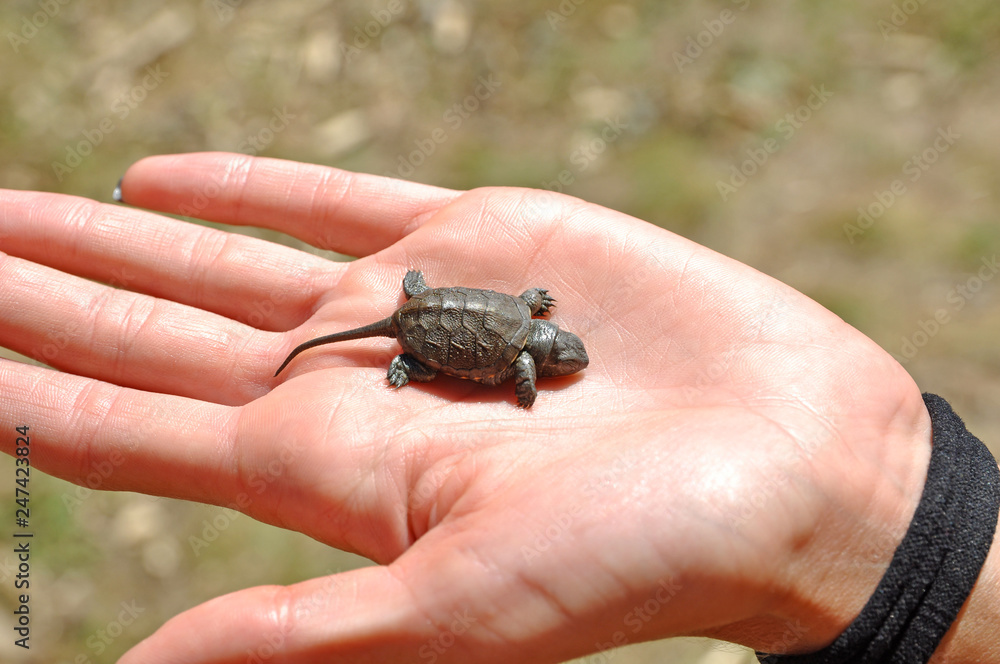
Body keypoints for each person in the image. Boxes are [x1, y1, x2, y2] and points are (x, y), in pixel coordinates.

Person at [0, 152, 996, 664]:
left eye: (553, 357)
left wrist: (891, 533)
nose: (560, 363)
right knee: (392, 337)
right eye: (555, 360)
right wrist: (902, 544)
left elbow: (497, 323)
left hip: (430, 312)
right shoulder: (519, 352)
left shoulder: (527, 332)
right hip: (424, 322)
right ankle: (389, 353)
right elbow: (493, 340)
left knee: (411, 330)